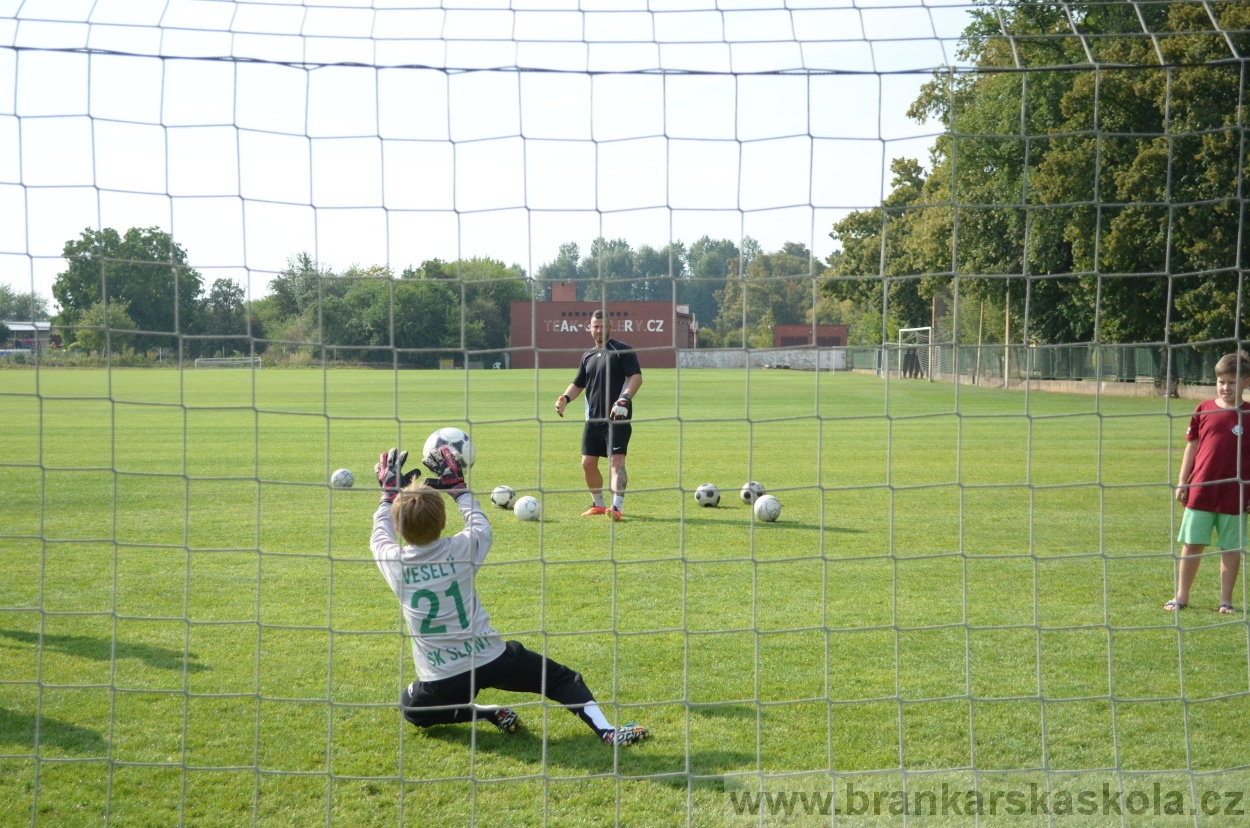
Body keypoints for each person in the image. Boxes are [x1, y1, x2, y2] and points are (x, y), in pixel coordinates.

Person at [370, 447, 650, 746]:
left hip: (442, 677)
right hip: (492, 657)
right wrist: (458, 489)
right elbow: (479, 523)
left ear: (399, 528)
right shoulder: (461, 548)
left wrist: (388, 494)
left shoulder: (392, 562)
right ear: (442, 524)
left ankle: (483, 713)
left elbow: (380, 531)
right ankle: (607, 731)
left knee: (412, 709)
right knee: (561, 680)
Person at [1165, 351, 1250, 614]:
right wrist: (1182, 481)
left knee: (1231, 547)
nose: (1226, 387)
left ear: (1246, 382)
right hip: (1201, 488)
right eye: (1221, 381)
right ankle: (1181, 596)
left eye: (1233, 382)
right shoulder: (1204, 408)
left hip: (1237, 492)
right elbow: (1192, 447)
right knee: (1192, 543)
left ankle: (1226, 601)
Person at [554, 309, 642, 521]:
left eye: (603, 326)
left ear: (610, 327)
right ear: (590, 328)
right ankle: (599, 505)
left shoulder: (622, 350)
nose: (599, 330)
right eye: (595, 326)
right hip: (593, 420)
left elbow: (636, 378)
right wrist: (565, 399)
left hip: (617, 418)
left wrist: (624, 399)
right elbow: (579, 383)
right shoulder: (588, 356)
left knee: (616, 463)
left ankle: (616, 508)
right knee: (587, 463)